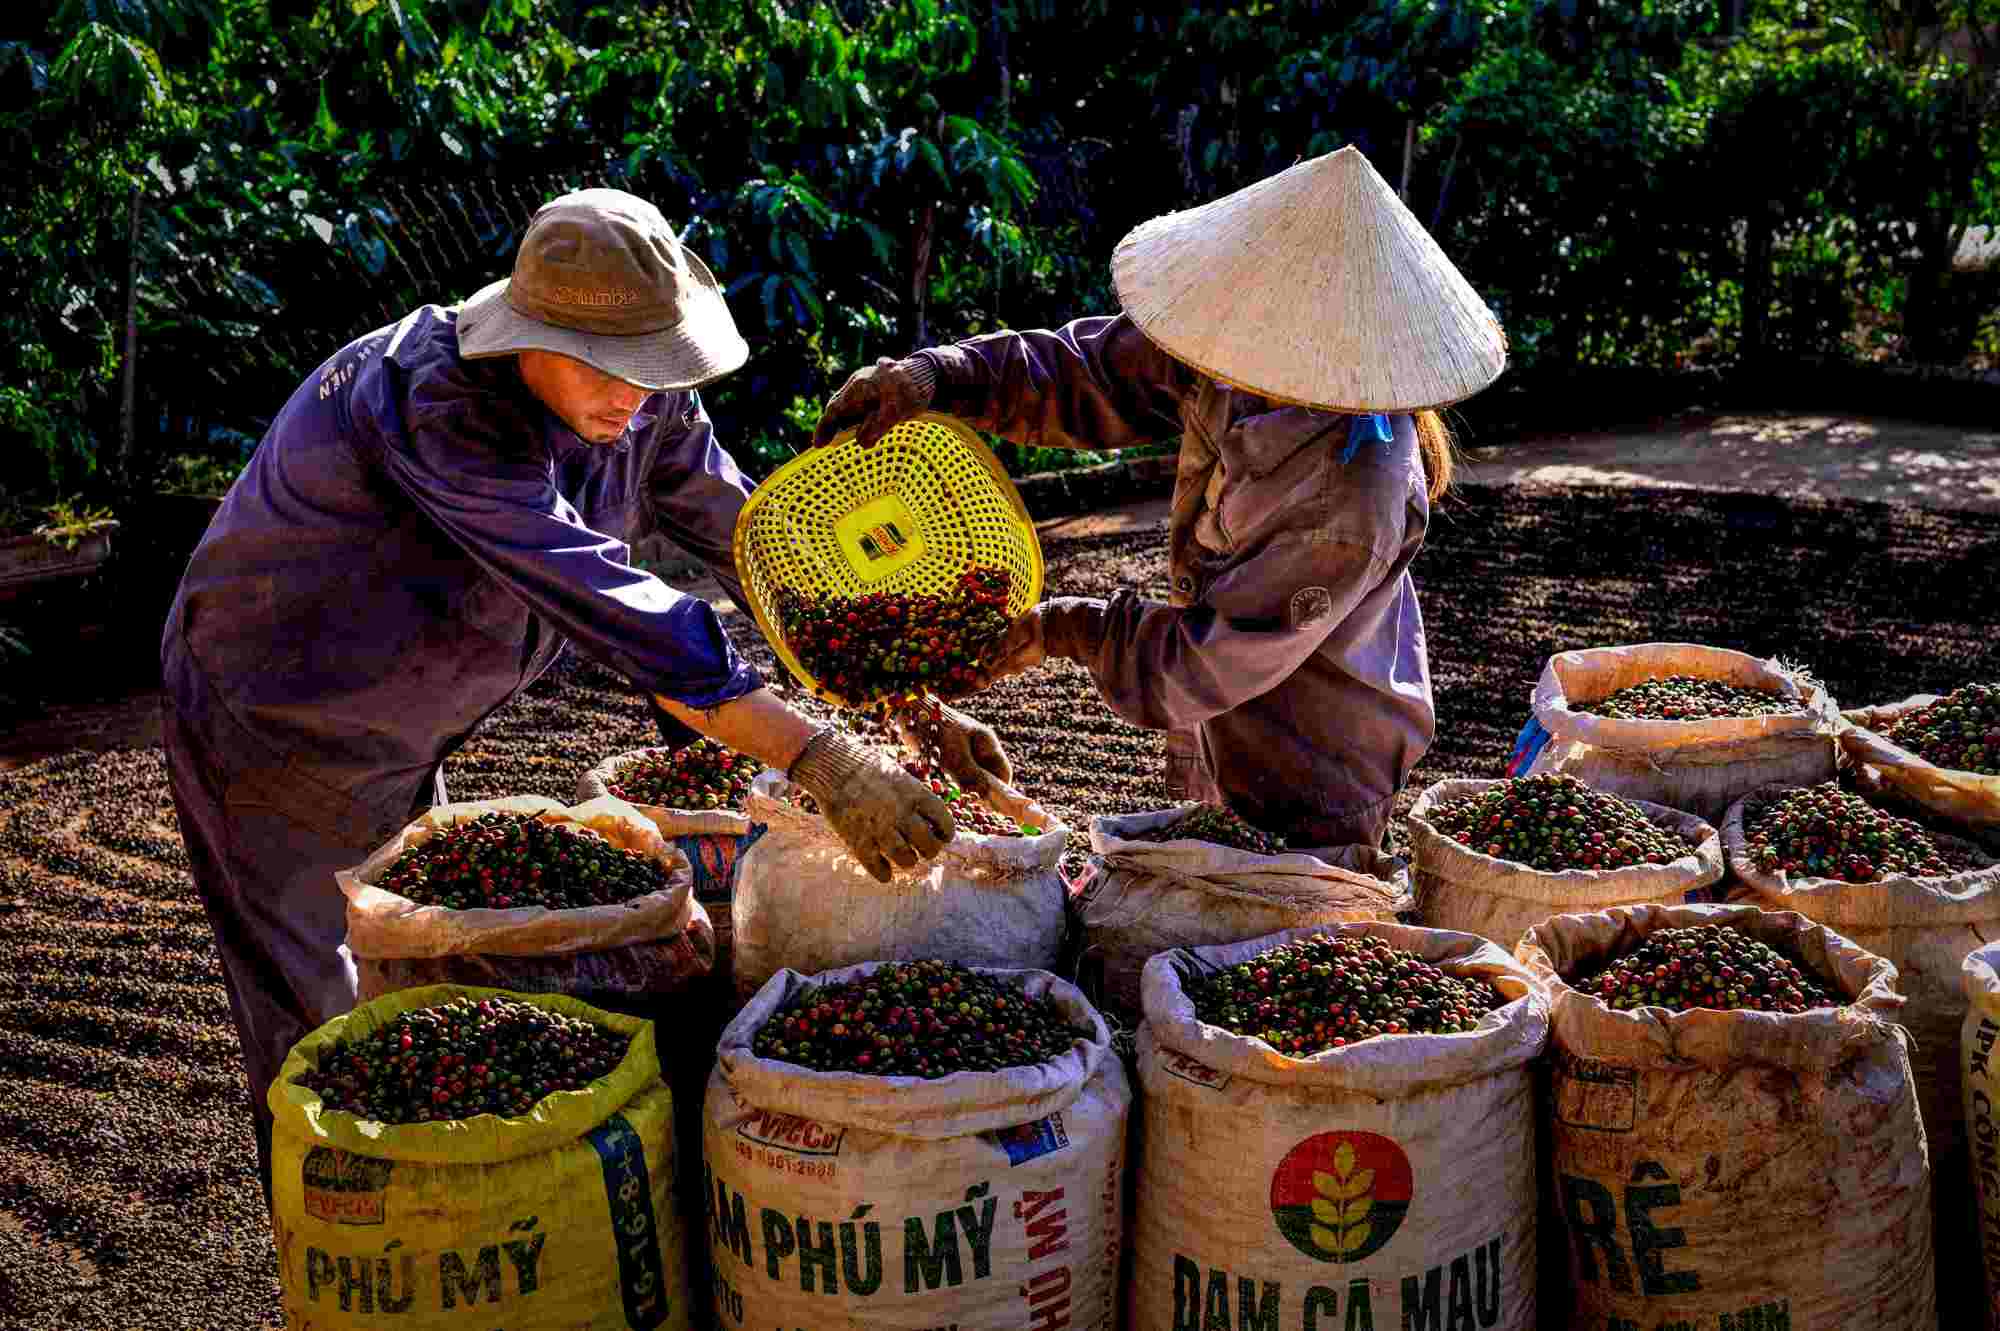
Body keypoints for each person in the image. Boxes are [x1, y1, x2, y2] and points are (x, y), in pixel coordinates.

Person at [159, 189, 1002, 1200]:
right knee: (329, 1027)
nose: (636, 398)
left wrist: (906, 701)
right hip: (281, 716)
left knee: (409, 965)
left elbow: (753, 543)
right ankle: (345, 1242)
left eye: (657, 371)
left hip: (413, 704)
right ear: (527, 336)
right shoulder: (438, 410)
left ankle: (446, 1233)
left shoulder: (642, 387)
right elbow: (635, 619)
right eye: (611, 369)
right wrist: (823, 760)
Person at [814, 147, 1507, 852]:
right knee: (1214, 870)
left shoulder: (1352, 497)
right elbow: (1086, 370)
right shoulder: (1240, 347)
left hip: (1321, 761)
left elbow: (1202, 662)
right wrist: (940, 376)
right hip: (1221, 711)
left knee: (1281, 925)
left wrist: (1068, 629)